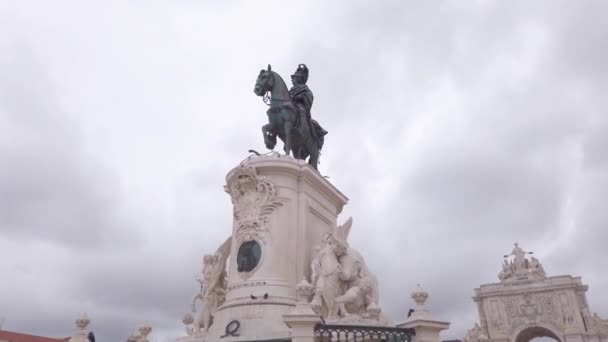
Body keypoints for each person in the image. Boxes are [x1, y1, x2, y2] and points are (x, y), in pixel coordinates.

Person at [289, 64, 327, 150]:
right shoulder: (291, 90)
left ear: (299, 79)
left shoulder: (305, 89)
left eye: (295, 78)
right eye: (293, 78)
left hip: (300, 106)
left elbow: (309, 97)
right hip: (290, 106)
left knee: (301, 111)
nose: (293, 80)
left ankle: (301, 131)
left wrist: (299, 97)